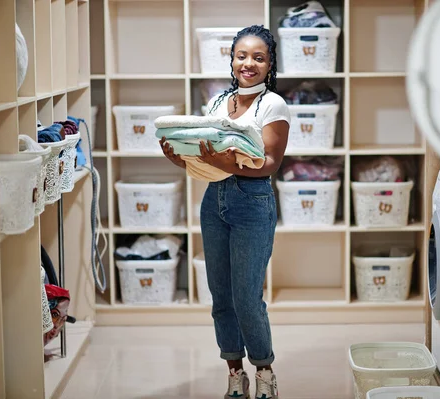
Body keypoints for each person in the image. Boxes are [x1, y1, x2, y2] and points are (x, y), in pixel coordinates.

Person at [159, 25, 290, 399]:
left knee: (247, 297)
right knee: (221, 296)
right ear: (231, 59)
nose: (249, 63)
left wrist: (223, 162)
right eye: (242, 55)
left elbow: (269, 164)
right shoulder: (218, 103)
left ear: (269, 64)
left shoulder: (273, 105)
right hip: (214, 201)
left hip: (252, 202)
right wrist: (181, 159)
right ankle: (236, 374)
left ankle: (264, 372)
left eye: (259, 57)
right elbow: (210, 162)